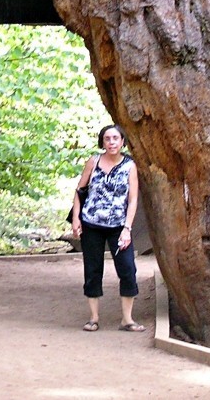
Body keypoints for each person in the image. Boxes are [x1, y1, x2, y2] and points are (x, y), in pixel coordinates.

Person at [71, 124, 145, 332]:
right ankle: (93, 318)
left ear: (122, 142)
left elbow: (132, 199)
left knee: (128, 269)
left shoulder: (130, 166)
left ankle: (127, 319)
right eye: (107, 139)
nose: (111, 142)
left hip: (118, 226)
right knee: (93, 270)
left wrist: (127, 228)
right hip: (91, 224)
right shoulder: (93, 162)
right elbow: (80, 190)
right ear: (102, 142)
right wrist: (76, 218)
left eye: (115, 138)